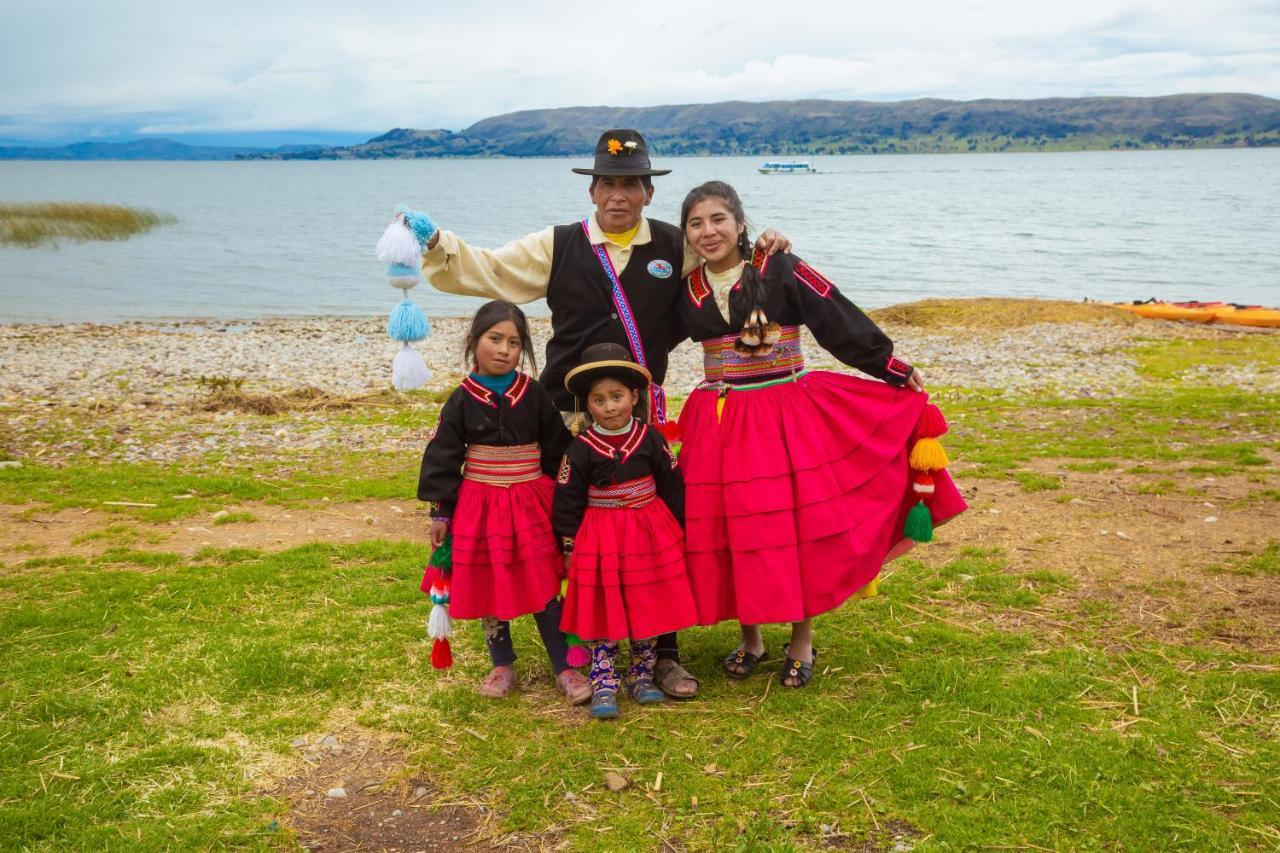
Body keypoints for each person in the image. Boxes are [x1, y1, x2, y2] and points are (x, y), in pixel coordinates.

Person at [393, 128, 791, 699]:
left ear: (649, 192)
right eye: (608, 182)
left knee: (654, 538)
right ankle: (586, 652)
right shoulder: (557, 244)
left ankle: (663, 656)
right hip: (567, 417)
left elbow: (725, 260)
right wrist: (436, 244)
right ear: (593, 190)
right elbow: (491, 270)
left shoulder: (676, 243)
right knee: (577, 538)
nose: (619, 195)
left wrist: (765, 245)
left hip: (641, 416)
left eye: (631, 183)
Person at [675, 181, 968, 688]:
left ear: (740, 223)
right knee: (739, 527)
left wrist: (889, 365)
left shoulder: (779, 265)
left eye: (719, 219)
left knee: (791, 526)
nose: (708, 231)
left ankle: (801, 640)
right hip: (719, 418)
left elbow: (834, 315)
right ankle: (751, 639)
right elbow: (644, 336)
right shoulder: (686, 288)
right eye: (696, 223)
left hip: (782, 412)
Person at [416, 300, 591, 704]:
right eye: (494, 339)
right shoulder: (461, 399)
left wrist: (569, 497)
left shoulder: (532, 394)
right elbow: (444, 454)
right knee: (488, 580)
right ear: (474, 341)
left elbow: (556, 450)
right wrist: (441, 510)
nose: (504, 349)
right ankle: (502, 664)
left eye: (514, 342)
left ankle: (564, 664)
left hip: (531, 500)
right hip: (479, 504)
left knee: (545, 581)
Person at [552, 343, 698, 720]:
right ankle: (603, 679)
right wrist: (568, 544)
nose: (610, 406)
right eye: (599, 400)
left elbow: (672, 485)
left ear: (634, 395)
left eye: (617, 396)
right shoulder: (580, 448)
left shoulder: (651, 439)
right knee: (607, 603)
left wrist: (678, 531)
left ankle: (641, 674)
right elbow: (567, 497)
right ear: (588, 405)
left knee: (645, 599)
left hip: (649, 531)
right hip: (602, 535)